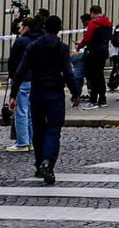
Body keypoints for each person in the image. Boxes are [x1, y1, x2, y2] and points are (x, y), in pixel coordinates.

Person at [9, 14, 77, 185]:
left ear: (44, 28)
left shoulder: (33, 46)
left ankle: (40, 163)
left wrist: (13, 94)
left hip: (37, 91)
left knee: (38, 130)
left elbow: (21, 71)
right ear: (59, 29)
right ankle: (48, 161)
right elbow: (68, 73)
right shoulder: (62, 48)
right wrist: (75, 93)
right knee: (53, 129)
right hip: (55, 92)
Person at [5, 16, 35, 153]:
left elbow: (12, 60)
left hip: (22, 78)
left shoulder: (21, 41)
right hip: (34, 78)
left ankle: (22, 142)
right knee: (30, 111)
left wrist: (12, 76)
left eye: (21, 26)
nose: (19, 28)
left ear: (25, 27)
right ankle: (31, 140)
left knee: (20, 111)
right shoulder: (36, 40)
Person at [75, 4, 113, 108]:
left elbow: (87, 38)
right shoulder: (108, 23)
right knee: (100, 75)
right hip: (104, 51)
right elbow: (109, 37)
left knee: (92, 76)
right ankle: (102, 99)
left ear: (92, 13)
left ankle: (93, 100)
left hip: (94, 51)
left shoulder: (93, 23)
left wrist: (79, 45)